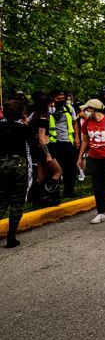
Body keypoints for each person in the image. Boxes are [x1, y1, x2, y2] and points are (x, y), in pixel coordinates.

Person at [1, 99, 33, 249]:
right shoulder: (24, 129)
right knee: (17, 201)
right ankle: (11, 237)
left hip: (1, 165)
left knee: (1, 200)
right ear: (21, 113)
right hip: (19, 166)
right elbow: (33, 144)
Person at [48, 89, 79, 198]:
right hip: (54, 143)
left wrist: (76, 138)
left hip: (68, 142)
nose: (61, 101)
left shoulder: (69, 109)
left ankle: (69, 191)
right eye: (58, 99)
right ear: (52, 99)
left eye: (63, 99)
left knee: (71, 168)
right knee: (57, 168)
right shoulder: (48, 110)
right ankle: (54, 192)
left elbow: (75, 123)